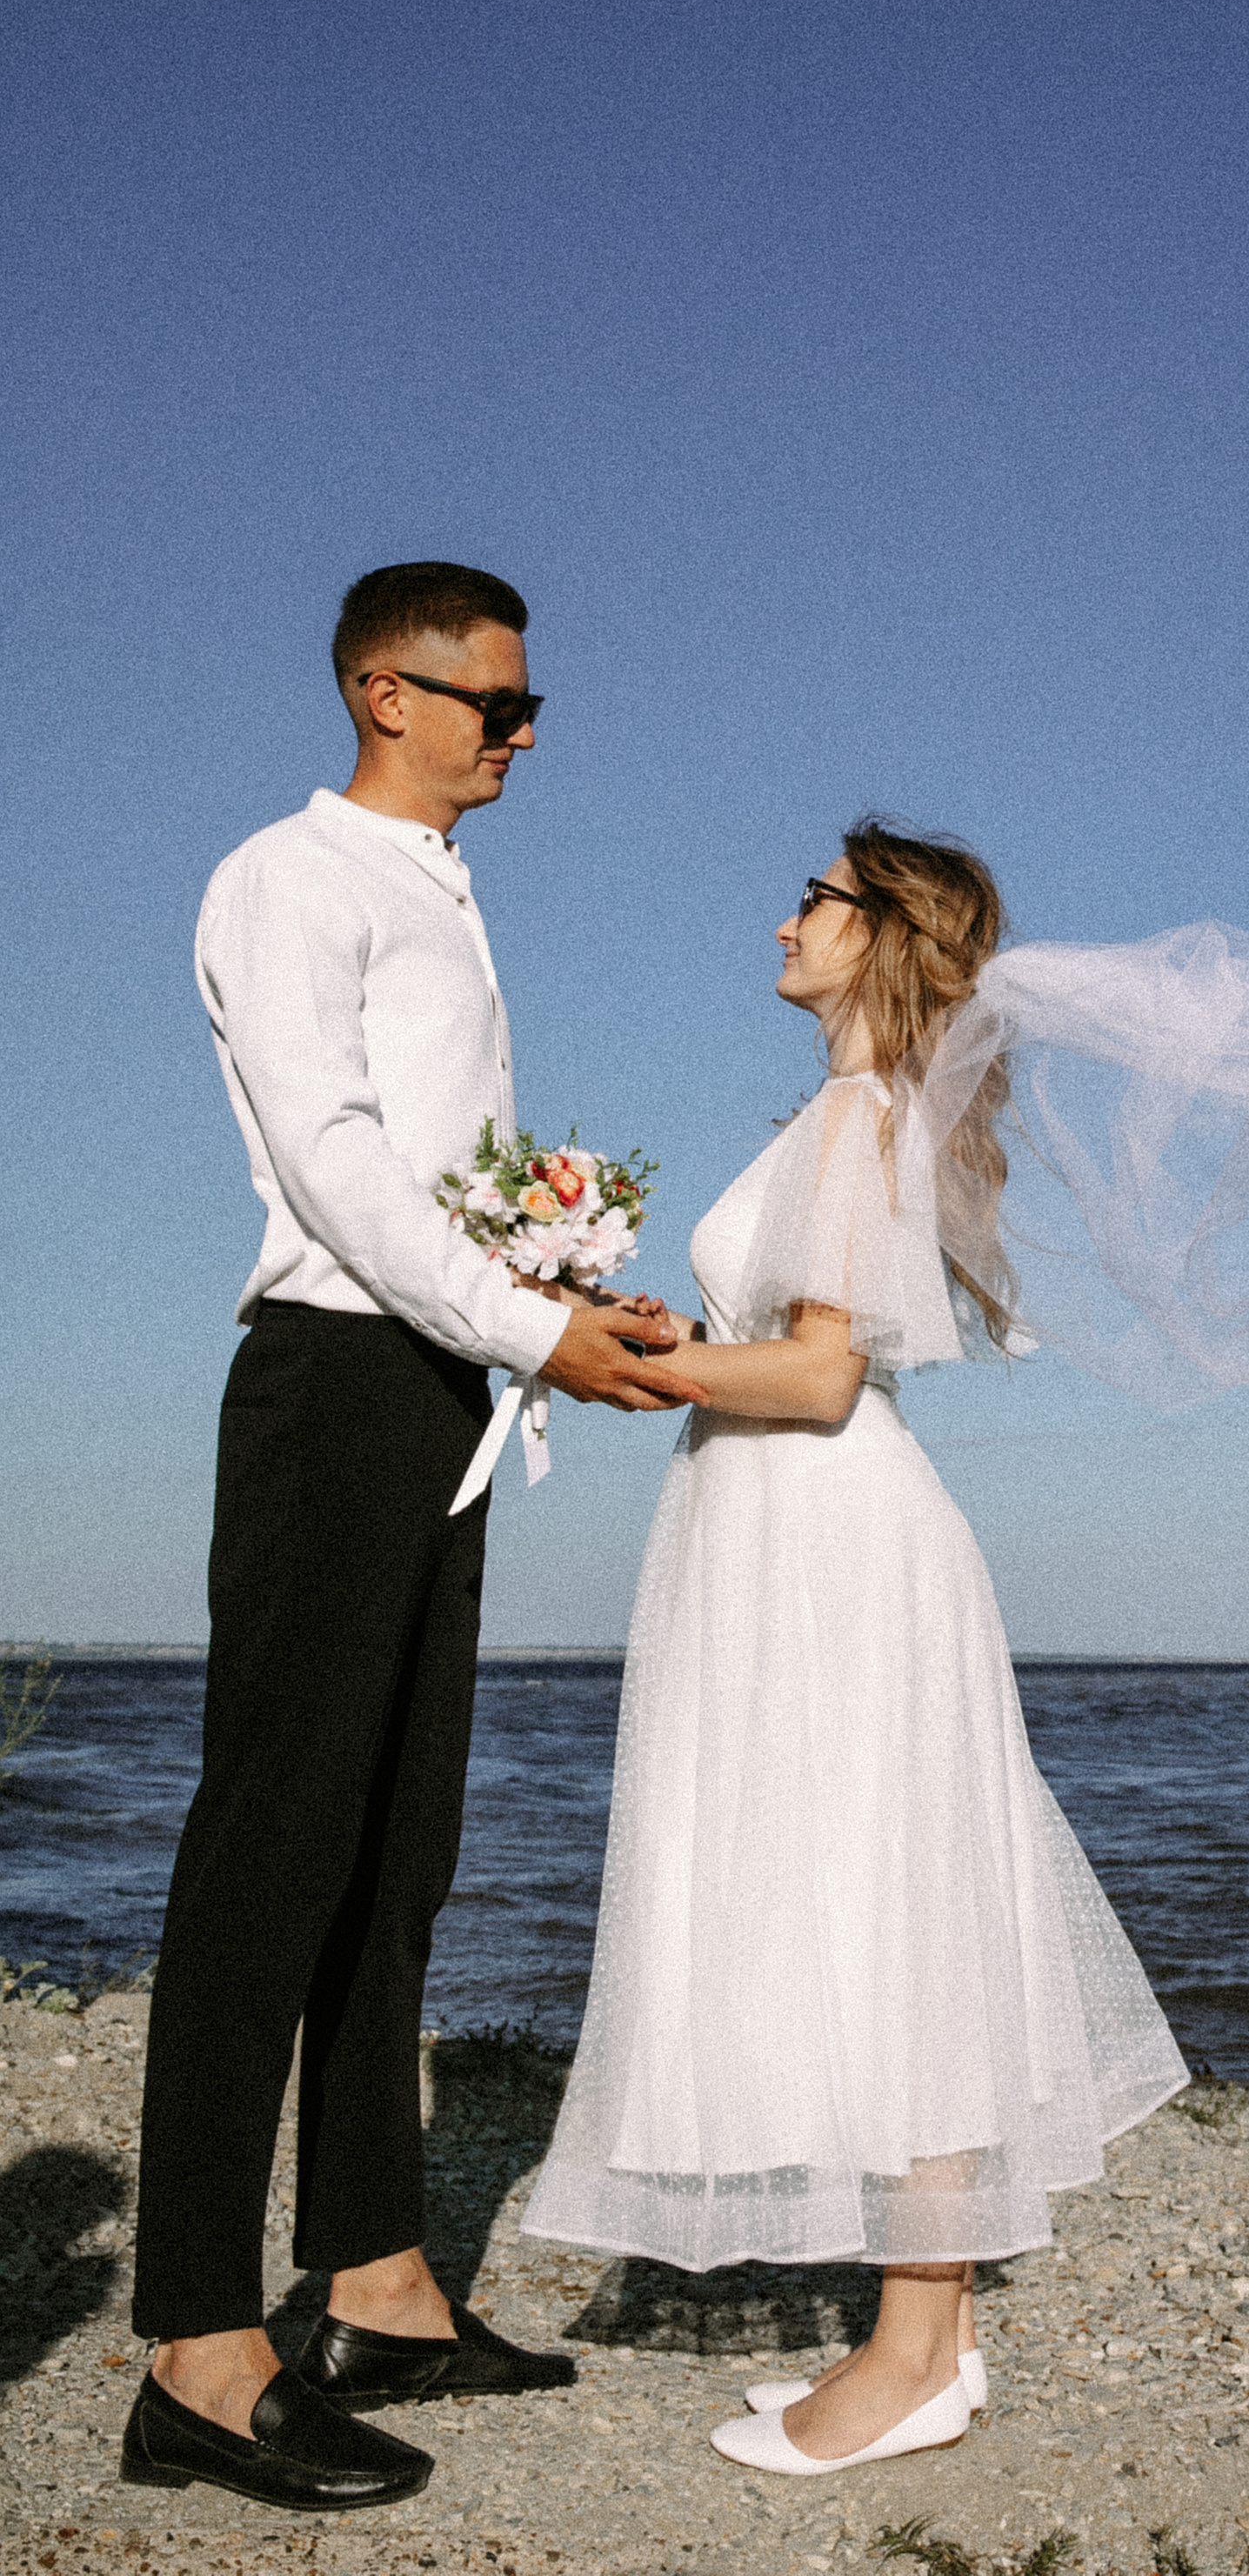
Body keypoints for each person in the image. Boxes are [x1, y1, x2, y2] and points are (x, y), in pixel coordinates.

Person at [125, 563, 706, 2517]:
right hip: (332, 1388)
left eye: (527, 708)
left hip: (435, 1396)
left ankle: (375, 2277)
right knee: (267, 1855)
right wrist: (541, 1323)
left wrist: (554, 1310)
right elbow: (336, 1160)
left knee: (395, 1852)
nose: (521, 735)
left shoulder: (440, 886)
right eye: (496, 704)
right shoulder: (286, 880)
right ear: (389, 691)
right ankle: (198, 2349)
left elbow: (442, 1181)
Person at [522, 825, 1188, 2478]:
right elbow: (807, 1354)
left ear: (882, 933)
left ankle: (905, 2353)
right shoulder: (859, 1116)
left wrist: (613, 1361)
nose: (785, 916)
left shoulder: (863, 1112)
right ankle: (938, 2344)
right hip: (787, 1536)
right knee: (866, 1904)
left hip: (828, 1540)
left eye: (814, 897)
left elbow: (820, 1383)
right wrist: (691, 1351)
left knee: (896, 1922)